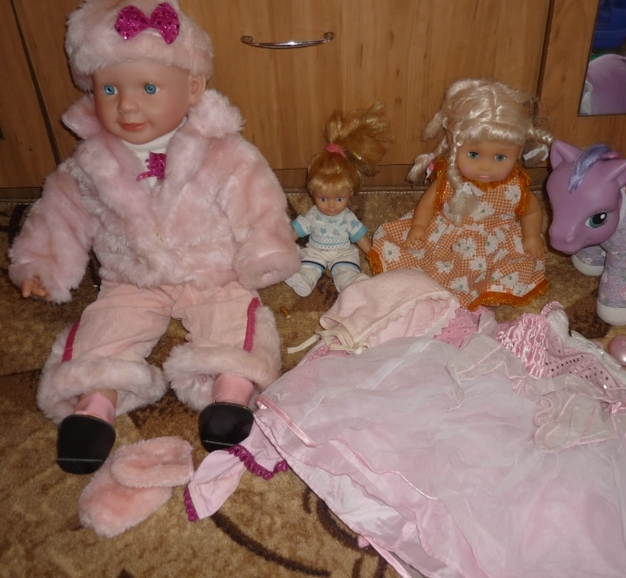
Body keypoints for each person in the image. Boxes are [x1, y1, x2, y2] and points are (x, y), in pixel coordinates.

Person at [7, 0, 300, 474]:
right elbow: (59, 213)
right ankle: (94, 405)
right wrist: (42, 262)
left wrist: (266, 247)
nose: (126, 105)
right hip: (131, 276)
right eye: (109, 89)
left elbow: (257, 197)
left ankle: (231, 392)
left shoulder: (222, 149)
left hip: (212, 272)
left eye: (147, 88)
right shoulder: (91, 162)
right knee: (107, 328)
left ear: (193, 88)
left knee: (233, 318)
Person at [369, 78, 553, 310]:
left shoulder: (515, 187)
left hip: (494, 248)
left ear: (518, 152)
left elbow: (532, 212)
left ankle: (489, 289)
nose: (486, 167)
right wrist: (418, 227)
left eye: (500, 157)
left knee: (511, 269)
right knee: (417, 264)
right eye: (474, 155)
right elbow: (428, 204)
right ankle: (429, 289)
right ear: (452, 143)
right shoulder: (450, 180)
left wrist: (531, 237)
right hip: (448, 241)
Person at [285, 102, 393, 296]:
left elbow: (359, 237)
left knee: (347, 268)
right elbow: (295, 231)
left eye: (339, 199)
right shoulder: (313, 215)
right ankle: (304, 278)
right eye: (323, 199)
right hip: (316, 249)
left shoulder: (348, 218)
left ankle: (351, 282)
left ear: (350, 193)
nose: (331, 206)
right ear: (312, 193)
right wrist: (282, 245)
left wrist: (373, 254)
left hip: (343, 251)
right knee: (307, 262)